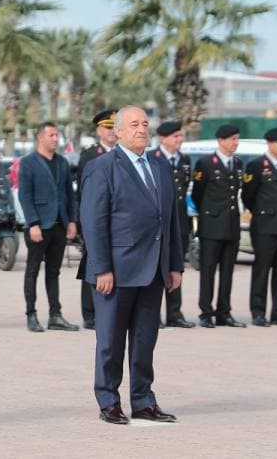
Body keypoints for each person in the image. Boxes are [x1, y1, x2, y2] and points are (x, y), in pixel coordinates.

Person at [79, 106, 183, 425]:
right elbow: (93, 221)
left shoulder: (159, 167)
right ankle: (109, 400)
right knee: (110, 340)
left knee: (144, 339)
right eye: (134, 124)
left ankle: (143, 400)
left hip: (153, 269)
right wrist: (101, 268)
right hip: (117, 270)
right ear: (119, 132)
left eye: (145, 124)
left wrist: (175, 264)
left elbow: (171, 220)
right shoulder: (103, 167)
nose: (141, 129)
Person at [17, 121, 79, 332]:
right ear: (40, 137)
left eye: (57, 135)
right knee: (32, 270)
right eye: (51, 135)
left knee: (53, 272)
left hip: (59, 224)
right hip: (38, 225)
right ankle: (31, 314)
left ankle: (55, 315)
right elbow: (25, 195)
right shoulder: (28, 163)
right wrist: (33, 223)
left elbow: (69, 194)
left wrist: (72, 220)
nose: (55, 139)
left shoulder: (62, 162)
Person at [192, 124, 246, 328]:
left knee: (228, 272)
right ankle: (206, 312)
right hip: (212, 226)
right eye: (232, 139)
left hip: (231, 225)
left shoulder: (238, 164)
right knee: (208, 271)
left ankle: (224, 312)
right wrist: (210, 214)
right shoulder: (206, 163)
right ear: (221, 141)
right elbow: (198, 194)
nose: (235, 143)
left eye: (237, 139)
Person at [242, 127, 277, 327]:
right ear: (269, 144)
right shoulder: (256, 166)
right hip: (265, 226)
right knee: (262, 270)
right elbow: (248, 195)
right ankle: (258, 311)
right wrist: (261, 213)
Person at [74, 108, 117, 330]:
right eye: (108, 128)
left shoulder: (124, 153)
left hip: (117, 222)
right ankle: (89, 313)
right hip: (95, 220)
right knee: (93, 263)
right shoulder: (90, 155)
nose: (112, 133)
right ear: (99, 130)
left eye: (114, 128)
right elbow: (84, 193)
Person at [152, 121, 195, 328]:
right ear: (162, 138)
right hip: (160, 221)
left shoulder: (184, 160)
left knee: (177, 266)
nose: (180, 140)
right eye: (175, 136)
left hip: (179, 220)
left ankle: (174, 313)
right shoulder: (153, 158)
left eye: (181, 136)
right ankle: (154, 313)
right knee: (158, 268)